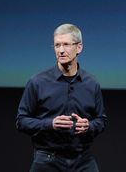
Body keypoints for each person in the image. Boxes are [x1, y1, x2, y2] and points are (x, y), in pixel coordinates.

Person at [16, 23, 108, 172]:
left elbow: (102, 120)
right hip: (47, 160)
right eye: (57, 45)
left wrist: (89, 126)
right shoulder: (38, 82)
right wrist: (49, 124)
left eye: (66, 45)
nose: (61, 50)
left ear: (79, 47)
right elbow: (21, 121)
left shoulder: (91, 83)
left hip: (82, 160)